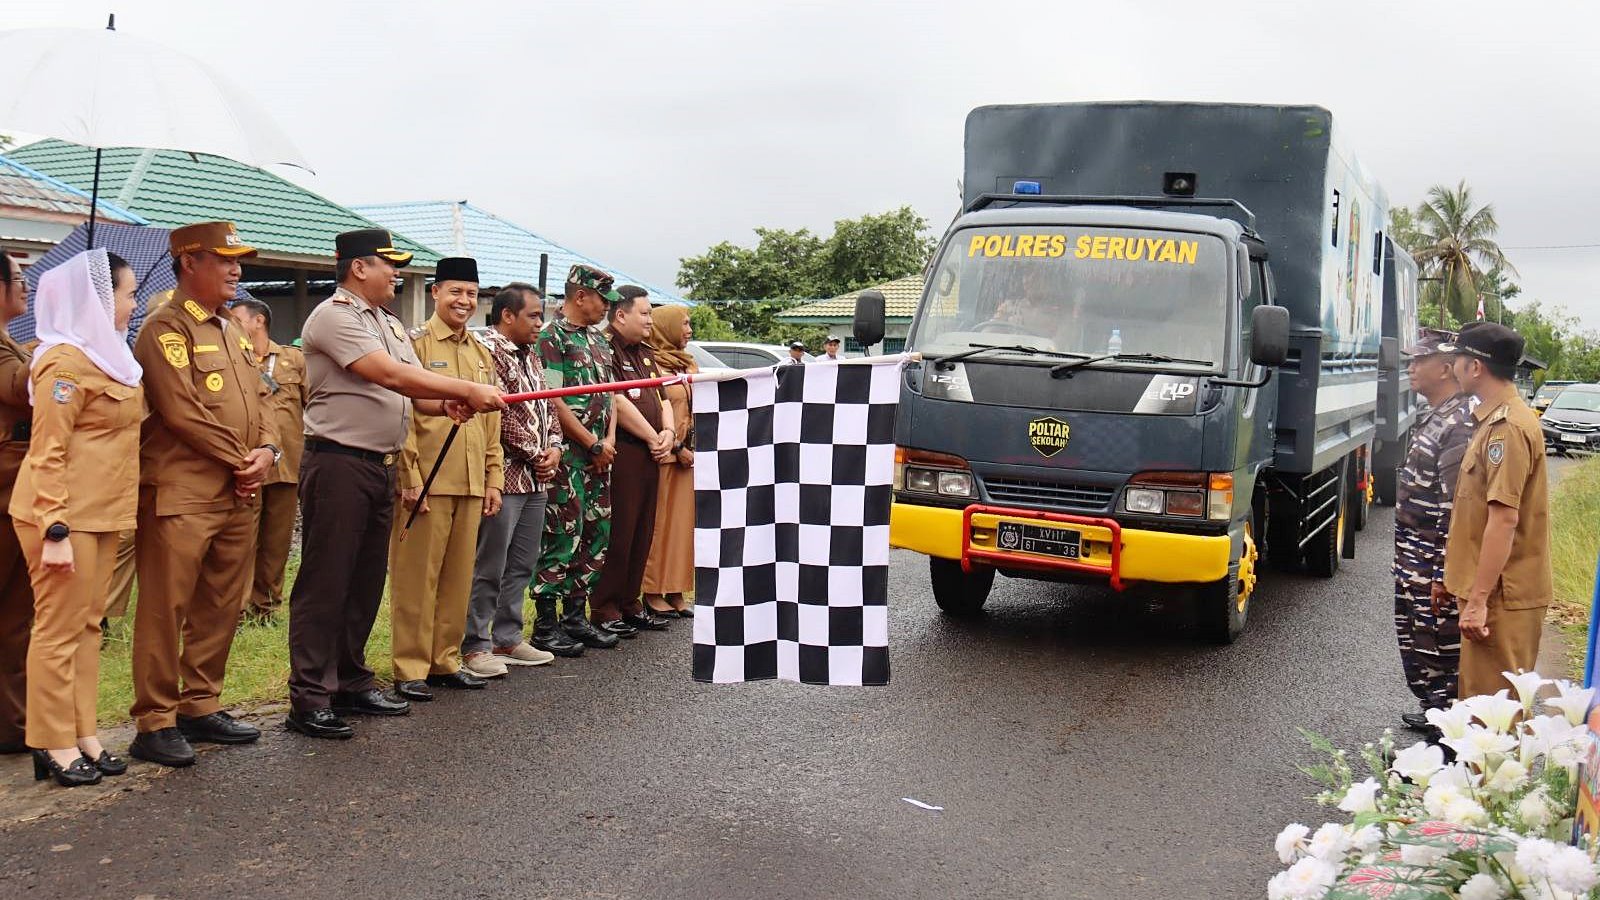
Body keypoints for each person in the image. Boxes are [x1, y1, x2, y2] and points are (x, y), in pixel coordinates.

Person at [286, 230, 503, 739]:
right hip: (338, 463)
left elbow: (413, 393)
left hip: (378, 465)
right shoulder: (334, 316)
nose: (396, 273)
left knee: (364, 581)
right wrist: (467, 387)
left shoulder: (387, 322)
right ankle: (310, 695)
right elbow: (388, 375)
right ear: (359, 268)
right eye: (389, 264)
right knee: (326, 581)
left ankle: (351, 680)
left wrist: (447, 403)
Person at [128, 222, 277, 768]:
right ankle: (155, 720)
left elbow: (263, 399)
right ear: (189, 262)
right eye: (225, 259)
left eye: (239, 260)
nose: (237, 269)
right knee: (166, 607)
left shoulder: (233, 329)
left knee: (221, 602)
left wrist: (267, 451)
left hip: (238, 490)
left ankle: (200, 704)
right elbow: (181, 410)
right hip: (184, 492)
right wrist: (243, 461)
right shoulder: (164, 329)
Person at [11, 249, 142, 786]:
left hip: (103, 513)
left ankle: (84, 732)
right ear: (99, 298)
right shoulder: (63, 363)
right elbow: (47, 452)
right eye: (128, 295)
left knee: (88, 627)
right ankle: (51, 740)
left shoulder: (110, 356)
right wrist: (55, 530)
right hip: (62, 517)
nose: (132, 305)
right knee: (58, 628)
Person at [388, 257, 504, 698]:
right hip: (430, 481)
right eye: (456, 291)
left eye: (471, 293)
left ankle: (445, 660)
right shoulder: (414, 344)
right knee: (417, 579)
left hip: (471, 482)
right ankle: (410, 668)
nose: (464, 301)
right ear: (435, 292)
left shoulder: (480, 352)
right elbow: (403, 413)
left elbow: (490, 423)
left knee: (458, 580)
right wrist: (410, 476)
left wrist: (493, 478)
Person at [1440, 322, 1553, 699]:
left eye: (1458, 359)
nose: (1453, 367)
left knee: (1494, 717)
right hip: (1492, 593)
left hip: (1501, 599)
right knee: (1479, 708)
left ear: (1476, 367)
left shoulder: (1509, 428)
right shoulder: (1494, 421)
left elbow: (1504, 520)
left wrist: (1477, 601)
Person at [465, 283, 570, 665]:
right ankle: (475, 642)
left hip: (536, 478)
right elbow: (500, 414)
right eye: (533, 315)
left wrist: (555, 447)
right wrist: (535, 452)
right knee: (490, 564)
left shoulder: (532, 354)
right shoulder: (488, 351)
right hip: (506, 477)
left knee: (523, 563)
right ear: (507, 315)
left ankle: (507, 638)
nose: (540, 323)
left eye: (542, 316)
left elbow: (549, 405)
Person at [532, 265, 622, 652]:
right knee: (561, 535)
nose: (607, 307)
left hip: (599, 457)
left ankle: (575, 617)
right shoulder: (551, 337)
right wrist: (590, 443)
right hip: (568, 457)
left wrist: (608, 441)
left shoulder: (598, 339)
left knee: (595, 535)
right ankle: (545, 625)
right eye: (603, 299)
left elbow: (611, 393)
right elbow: (552, 399)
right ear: (580, 296)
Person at [1392, 331, 1475, 731]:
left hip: (1430, 562)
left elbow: (1455, 508)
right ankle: (1432, 710)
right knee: (1416, 643)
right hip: (1412, 559)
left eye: (1418, 361)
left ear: (1444, 368)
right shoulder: (1437, 416)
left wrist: (1443, 573)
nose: (1410, 367)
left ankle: (1446, 732)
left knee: (1439, 647)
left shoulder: (1458, 425)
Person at [591, 286, 674, 637]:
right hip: (625, 449)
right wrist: (653, 437)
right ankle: (605, 605)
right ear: (621, 315)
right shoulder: (605, 348)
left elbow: (662, 397)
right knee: (620, 531)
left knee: (643, 529)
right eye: (644, 313)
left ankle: (630, 601)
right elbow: (617, 401)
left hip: (651, 453)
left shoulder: (646, 353)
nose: (650, 320)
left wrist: (669, 432)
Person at [230, 298, 306, 622]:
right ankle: (235, 608)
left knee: (277, 541)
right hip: (247, 464)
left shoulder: (293, 359)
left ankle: (266, 608)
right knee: (241, 539)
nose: (231, 326)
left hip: (285, 465)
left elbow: (314, 404)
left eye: (237, 319)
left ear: (258, 321)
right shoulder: (234, 359)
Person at [0, 248, 35, 755]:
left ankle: (12, 724)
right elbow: (21, 388)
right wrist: (63, 345)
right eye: (17, 277)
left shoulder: (12, 342)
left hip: (16, 494)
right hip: (5, 491)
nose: (25, 285)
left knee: (14, 617)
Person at [641, 303, 697, 618]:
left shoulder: (686, 364)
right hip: (664, 456)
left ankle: (676, 589)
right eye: (684, 324)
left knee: (681, 529)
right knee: (659, 527)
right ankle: (652, 591)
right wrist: (677, 448)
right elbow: (654, 413)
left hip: (688, 459)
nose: (688, 330)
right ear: (668, 327)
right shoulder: (652, 364)